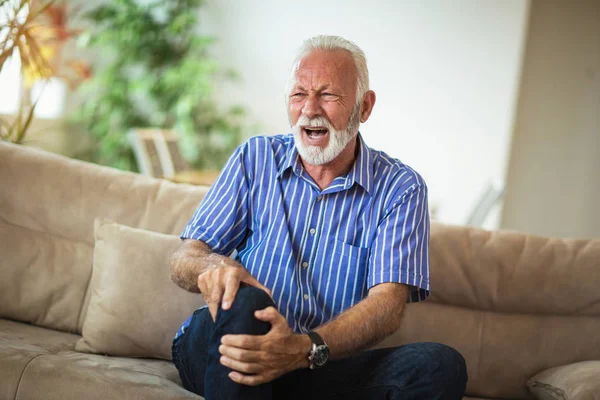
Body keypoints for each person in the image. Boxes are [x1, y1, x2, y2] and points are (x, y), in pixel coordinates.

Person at [169, 35, 467, 400]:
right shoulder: (255, 157)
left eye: (328, 95)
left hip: (317, 364)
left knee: (439, 364)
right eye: (298, 95)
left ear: (364, 106)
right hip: (225, 348)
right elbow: (185, 257)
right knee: (248, 303)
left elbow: (387, 306)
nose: (310, 109)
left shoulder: (400, 189)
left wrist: (300, 349)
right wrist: (213, 266)